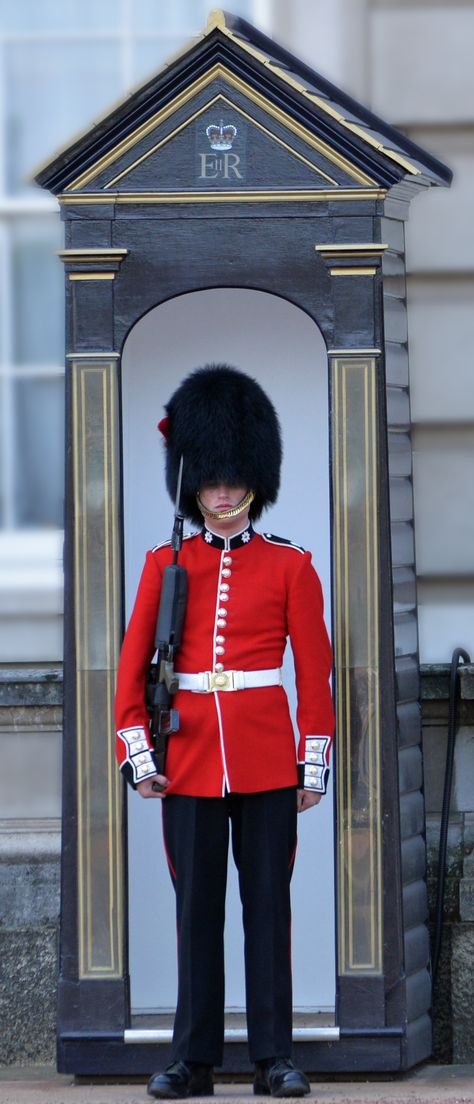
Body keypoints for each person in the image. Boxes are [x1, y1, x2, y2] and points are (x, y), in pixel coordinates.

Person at [115, 364, 335, 1099]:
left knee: (268, 909)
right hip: (190, 761)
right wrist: (140, 755)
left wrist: (312, 766)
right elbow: (131, 674)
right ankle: (194, 1059)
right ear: (193, 483)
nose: (220, 493)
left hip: (269, 760)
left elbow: (314, 675)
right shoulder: (163, 565)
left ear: (252, 481)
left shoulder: (292, 567)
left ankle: (274, 1056)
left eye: (232, 479)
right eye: (208, 480)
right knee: (195, 913)